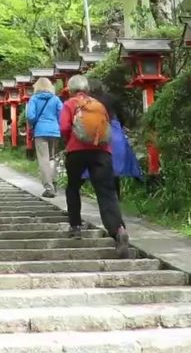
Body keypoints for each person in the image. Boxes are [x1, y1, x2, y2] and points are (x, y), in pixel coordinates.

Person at [59, 74, 131, 258]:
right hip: (101, 152)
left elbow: (64, 128)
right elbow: (106, 126)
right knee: (106, 192)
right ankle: (118, 230)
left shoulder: (69, 104)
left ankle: (75, 226)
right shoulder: (98, 105)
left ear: (71, 89)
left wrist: (71, 143)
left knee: (73, 187)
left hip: (76, 152)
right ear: (87, 89)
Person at [85, 78, 142, 199]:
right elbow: (122, 115)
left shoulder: (88, 101)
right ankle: (117, 194)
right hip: (114, 131)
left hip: (96, 133)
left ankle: (102, 194)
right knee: (115, 164)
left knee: (97, 164)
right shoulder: (111, 98)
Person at [26, 77, 63, 198]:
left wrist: (34, 122)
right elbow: (62, 115)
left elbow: (30, 116)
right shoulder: (55, 99)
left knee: (44, 160)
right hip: (54, 131)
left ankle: (49, 188)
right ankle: (54, 182)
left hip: (41, 132)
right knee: (52, 158)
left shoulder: (34, 99)